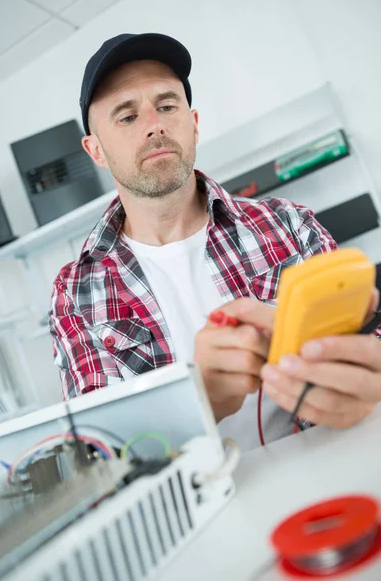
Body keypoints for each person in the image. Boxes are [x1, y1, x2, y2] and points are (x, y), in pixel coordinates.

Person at [49, 33, 381, 451]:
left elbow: (370, 340)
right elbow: (99, 452)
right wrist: (199, 400)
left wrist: (365, 372)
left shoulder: (290, 225)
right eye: (127, 116)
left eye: (167, 105)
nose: (155, 125)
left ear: (194, 123)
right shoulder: (74, 293)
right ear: (95, 150)